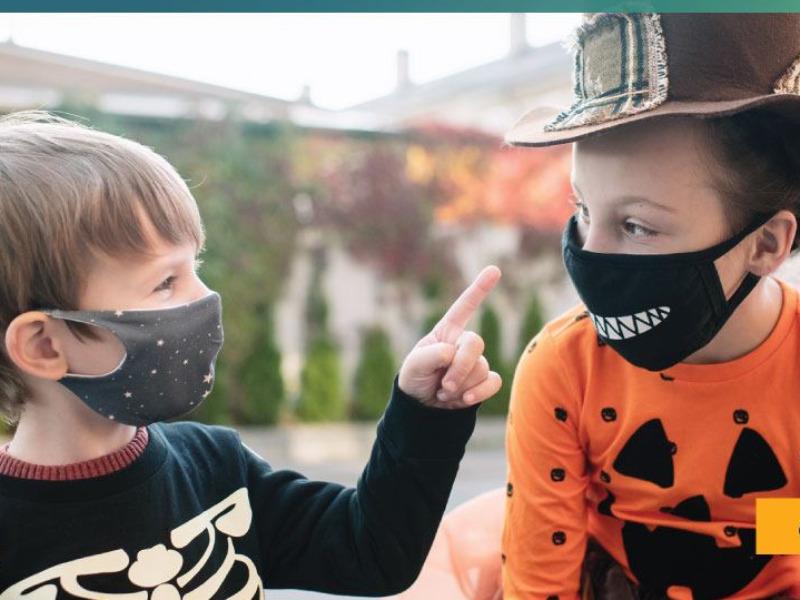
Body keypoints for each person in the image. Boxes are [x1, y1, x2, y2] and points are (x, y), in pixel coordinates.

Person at [0, 110, 503, 597]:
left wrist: (424, 414)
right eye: (165, 282)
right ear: (44, 345)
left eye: (195, 267)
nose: (204, 297)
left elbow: (372, 551)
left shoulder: (216, 467)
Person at [501, 13, 800, 599]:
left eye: (636, 225)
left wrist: (749, 536)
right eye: (583, 210)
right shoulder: (565, 368)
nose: (592, 253)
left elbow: (786, 537)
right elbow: (539, 582)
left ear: (766, 243)